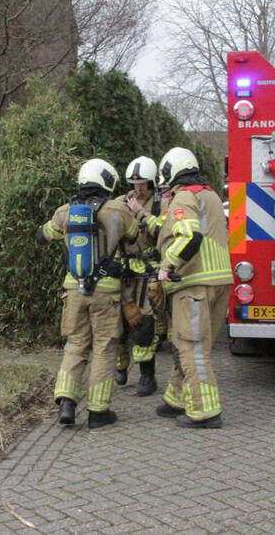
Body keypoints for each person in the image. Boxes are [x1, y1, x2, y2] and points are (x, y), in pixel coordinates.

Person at [130, 147, 232, 428]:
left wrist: (167, 266)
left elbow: (189, 235)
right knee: (190, 344)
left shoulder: (184, 196)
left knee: (190, 347)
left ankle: (205, 411)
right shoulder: (209, 195)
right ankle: (177, 398)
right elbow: (167, 227)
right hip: (218, 281)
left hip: (194, 284)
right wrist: (147, 214)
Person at [37, 158, 139, 428]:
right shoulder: (118, 209)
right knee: (105, 347)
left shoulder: (65, 211)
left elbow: (42, 236)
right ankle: (98, 411)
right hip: (106, 291)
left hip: (73, 288)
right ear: (108, 181)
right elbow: (134, 237)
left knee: (76, 345)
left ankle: (67, 401)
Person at [114, 156, 164, 397]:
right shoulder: (119, 202)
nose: (138, 187)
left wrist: (140, 212)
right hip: (123, 271)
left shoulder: (160, 203)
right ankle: (120, 364)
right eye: (135, 184)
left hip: (148, 271)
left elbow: (163, 230)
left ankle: (147, 376)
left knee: (145, 324)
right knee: (120, 324)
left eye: (143, 183)